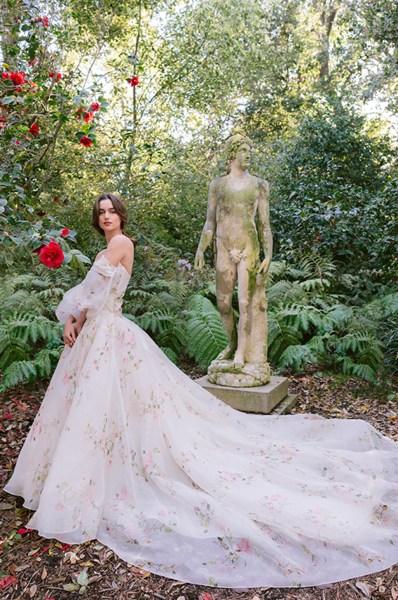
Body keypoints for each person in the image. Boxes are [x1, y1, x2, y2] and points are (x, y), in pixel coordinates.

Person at [3, 193, 398, 589]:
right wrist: (75, 319)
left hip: (109, 334)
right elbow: (92, 294)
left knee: (113, 408)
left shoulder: (121, 243)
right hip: (99, 335)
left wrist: (71, 317)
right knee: (98, 412)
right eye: (101, 212)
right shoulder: (109, 246)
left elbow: (89, 291)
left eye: (111, 211)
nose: (106, 217)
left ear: (121, 215)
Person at [195, 135, 272, 369]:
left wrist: (268, 254)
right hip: (223, 247)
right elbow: (210, 223)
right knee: (223, 304)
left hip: (248, 246)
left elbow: (264, 224)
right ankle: (231, 343)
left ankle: (241, 352)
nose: (248, 154)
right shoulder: (217, 185)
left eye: (249, 150)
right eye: (243, 150)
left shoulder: (259, 185)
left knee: (245, 301)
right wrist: (200, 250)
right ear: (232, 154)